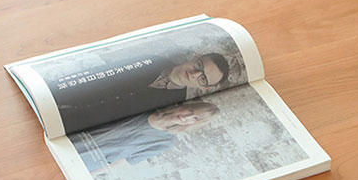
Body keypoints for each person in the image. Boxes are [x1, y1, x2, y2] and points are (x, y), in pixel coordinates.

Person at [54, 51, 229, 134]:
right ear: (194, 57)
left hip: (78, 122)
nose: (195, 74)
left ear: (204, 88)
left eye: (203, 79)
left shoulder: (176, 104)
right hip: (64, 93)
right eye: (199, 66)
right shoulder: (152, 57)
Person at [71, 99, 219, 174]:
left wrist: (91, 175)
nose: (188, 117)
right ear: (186, 106)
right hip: (76, 139)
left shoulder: (166, 142)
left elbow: (124, 160)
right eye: (192, 111)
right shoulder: (148, 107)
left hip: (90, 162)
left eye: (195, 119)